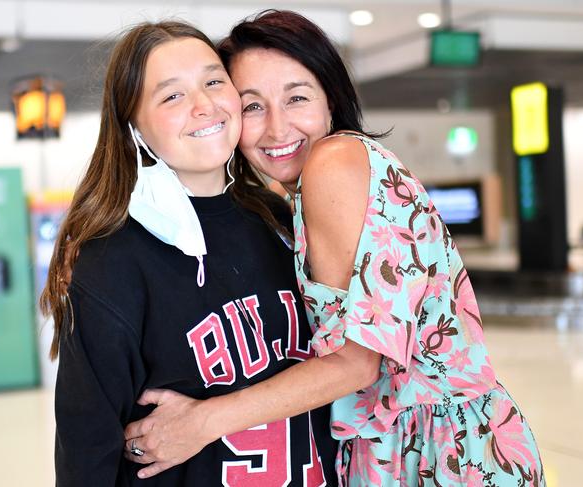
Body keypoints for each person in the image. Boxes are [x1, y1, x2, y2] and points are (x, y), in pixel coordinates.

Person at [123, 10, 545, 487]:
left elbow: (357, 363)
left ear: (330, 100)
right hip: (436, 441)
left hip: (435, 452)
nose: (278, 129)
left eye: (296, 98)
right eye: (253, 106)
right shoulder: (308, 190)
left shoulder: (334, 161)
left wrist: (199, 423)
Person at [40, 20, 340, 486]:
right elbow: (87, 453)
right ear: (133, 125)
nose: (204, 106)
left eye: (214, 81)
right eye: (172, 96)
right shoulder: (111, 260)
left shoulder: (281, 221)